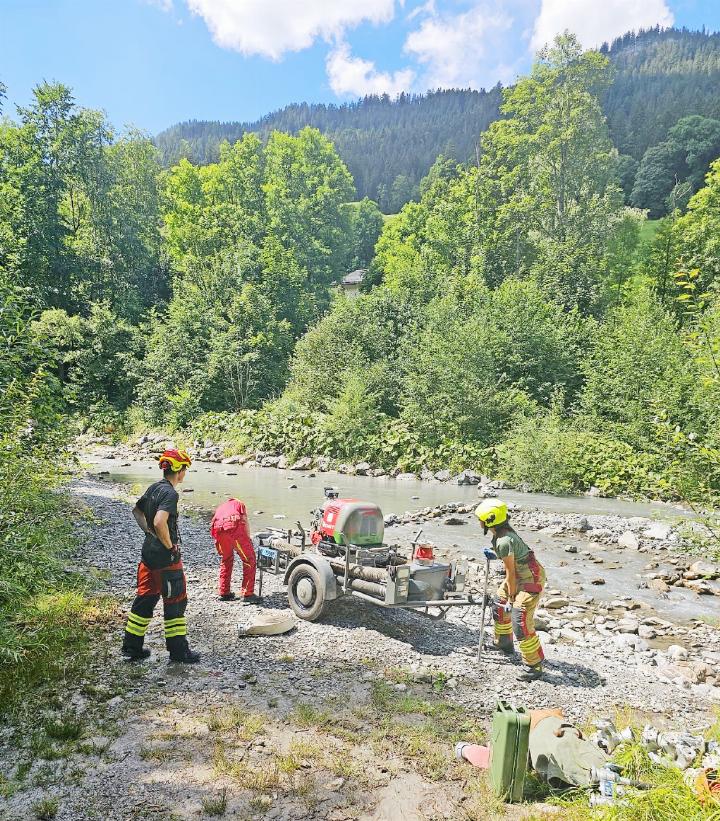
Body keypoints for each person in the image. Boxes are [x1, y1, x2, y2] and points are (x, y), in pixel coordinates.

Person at [121, 449, 200, 663]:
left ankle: (132, 646)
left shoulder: (154, 487)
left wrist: (149, 533)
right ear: (178, 470)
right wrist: (169, 545)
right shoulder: (170, 493)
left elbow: (137, 512)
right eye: (184, 468)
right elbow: (159, 521)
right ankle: (178, 652)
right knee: (175, 601)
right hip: (166, 559)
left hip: (148, 555)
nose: (185, 473)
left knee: (145, 599)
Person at [475, 498, 546, 681]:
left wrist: (512, 598)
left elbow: (511, 574)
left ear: (490, 521)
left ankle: (534, 665)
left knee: (519, 617)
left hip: (530, 578)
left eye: (480, 519)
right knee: (498, 604)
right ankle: (504, 643)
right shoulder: (501, 535)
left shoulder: (504, 540)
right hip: (519, 575)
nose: (478, 522)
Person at [210, 498, 261, 603]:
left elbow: (214, 522)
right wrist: (248, 538)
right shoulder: (240, 504)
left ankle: (224, 593)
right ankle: (247, 593)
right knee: (249, 560)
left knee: (226, 559)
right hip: (233, 528)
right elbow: (245, 521)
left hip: (218, 530)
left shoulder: (222, 506)